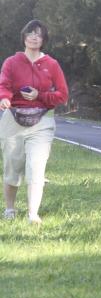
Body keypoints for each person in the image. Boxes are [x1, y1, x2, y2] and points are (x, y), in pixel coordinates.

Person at [0, 20, 68, 224]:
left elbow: (62, 95)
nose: (34, 37)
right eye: (30, 33)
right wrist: (4, 98)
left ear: (43, 40)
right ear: (24, 37)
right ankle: (10, 209)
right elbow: (3, 85)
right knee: (12, 166)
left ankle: (33, 214)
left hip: (42, 122)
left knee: (36, 167)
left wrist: (41, 95)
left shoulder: (52, 64)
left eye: (38, 34)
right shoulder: (11, 62)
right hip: (13, 119)